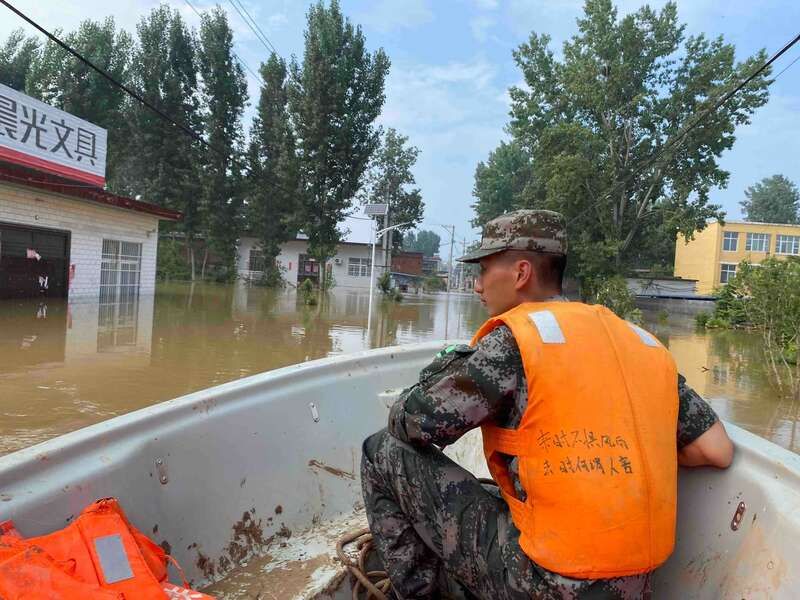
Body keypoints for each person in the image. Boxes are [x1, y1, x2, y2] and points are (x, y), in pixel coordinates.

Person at [361, 209, 733, 600]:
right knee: (495, 497)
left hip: (543, 585)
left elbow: (409, 421)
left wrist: (447, 366)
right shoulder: (639, 342)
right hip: (633, 587)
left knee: (381, 451)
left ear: (521, 273)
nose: (477, 286)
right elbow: (716, 449)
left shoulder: (515, 343)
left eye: (484, 270)